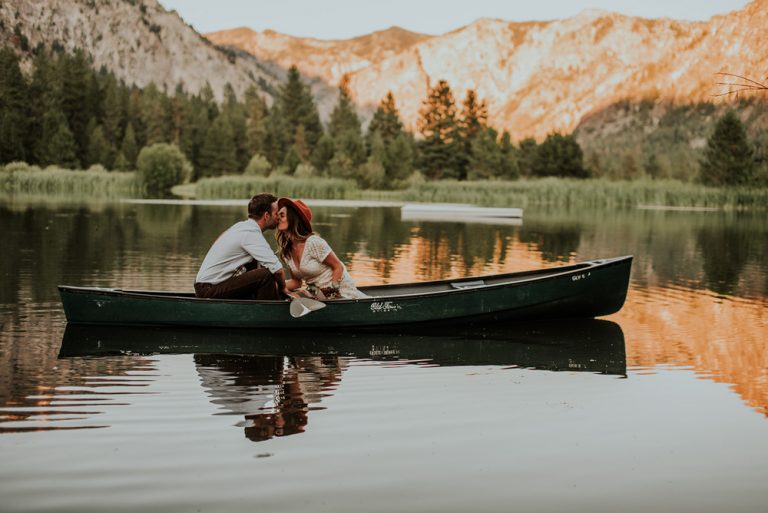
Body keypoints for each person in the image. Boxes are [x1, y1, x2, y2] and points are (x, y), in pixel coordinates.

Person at [194, 193, 286, 300]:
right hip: (208, 289)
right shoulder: (250, 233)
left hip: (207, 286)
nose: (278, 217)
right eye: (276, 213)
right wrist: (283, 288)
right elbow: (278, 270)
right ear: (266, 216)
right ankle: (269, 313)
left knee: (256, 264)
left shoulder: (241, 227)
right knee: (265, 275)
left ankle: (256, 304)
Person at [276, 197, 368, 300]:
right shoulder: (287, 251)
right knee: (289, 297)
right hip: (316, 294)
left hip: (339, 292)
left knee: (301, 297)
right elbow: (296, 282)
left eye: (282, 215)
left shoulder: (313, 242)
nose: (277, 218)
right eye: (277, 215)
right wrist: (275, 285)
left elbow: (338, 267)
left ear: (294, 218)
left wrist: (331, 292)